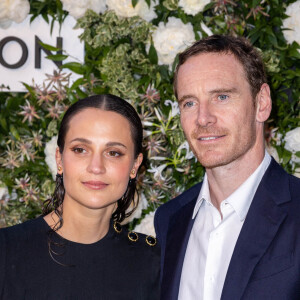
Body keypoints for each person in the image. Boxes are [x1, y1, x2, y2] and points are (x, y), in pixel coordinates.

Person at [154, 35, 300, 300]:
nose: (203, 118)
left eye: (221, 96)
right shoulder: (169, 220)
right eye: (189, 103)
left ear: (262, 103)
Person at [0, 94, 160, 299]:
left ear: (135, 166)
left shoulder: (153, 262)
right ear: (59, 158)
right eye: (80, 149)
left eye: (113, 153)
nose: (96, 167)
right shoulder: (6, 251)